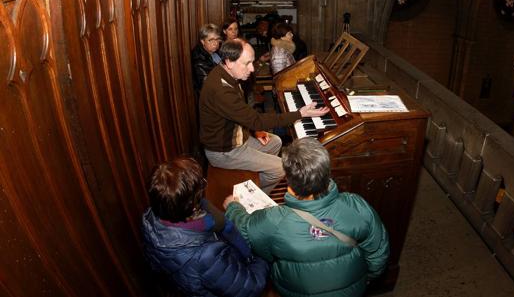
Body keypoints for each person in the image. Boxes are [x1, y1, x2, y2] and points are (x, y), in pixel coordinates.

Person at [224, 138, 390, 297]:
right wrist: (367, 278)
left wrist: (232, 207)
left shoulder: (273, 220)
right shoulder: (356, 205)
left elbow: (245, 228)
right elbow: (378, 251)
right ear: (327, 173)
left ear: (290, 183)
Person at [199, 39, 329, 194]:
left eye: (252, 62)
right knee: (281, 168)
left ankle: (258, 176)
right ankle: (253, 197)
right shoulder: (221, 90)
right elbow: (257, 120)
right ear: (229, 62)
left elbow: (241, 115)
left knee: (275, 142)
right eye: (247, 63)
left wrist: (254, 131)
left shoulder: (226, 73)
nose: (252, 69)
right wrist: (300, 113)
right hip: (224, 150)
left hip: (237, 137)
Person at [141, 156, 269, 297]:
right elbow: (250, 287)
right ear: (192, 206)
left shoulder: (150, 218)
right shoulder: (207, 256)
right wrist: (263, 257)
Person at [191, 24, 222, 95]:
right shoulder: (199, 58)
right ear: (202, 41)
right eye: (210, 40)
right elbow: (208, 84)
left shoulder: (214, 51)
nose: (215, 43)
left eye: (217, 39)